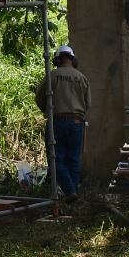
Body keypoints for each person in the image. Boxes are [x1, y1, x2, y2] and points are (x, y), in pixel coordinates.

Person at [35, 44, 91, 199]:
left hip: (58, 121)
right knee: (74, 158)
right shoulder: (82, 78)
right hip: (77, 123)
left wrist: (47, 111)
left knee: (56, 157)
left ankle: (69, 190)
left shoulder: (52, 75)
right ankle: (72, 191)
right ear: (72, 59)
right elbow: (88, 104)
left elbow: (39, 96)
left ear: (58, 60)